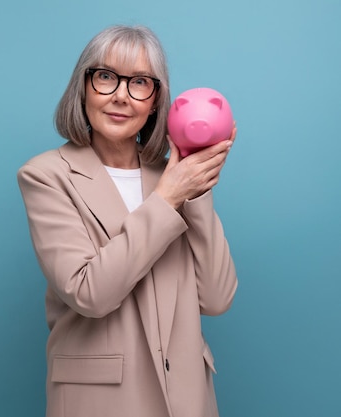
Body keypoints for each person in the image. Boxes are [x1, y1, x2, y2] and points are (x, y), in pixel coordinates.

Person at [17, 25, 238, 417]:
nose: (121, 95)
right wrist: (168, 198)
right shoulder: (46, 175)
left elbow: (218, 299)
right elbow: (90, 293)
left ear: (156, 101)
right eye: (105, 77)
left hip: (186, 399)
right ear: (83, 87)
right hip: (101, 402)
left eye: (139, 82)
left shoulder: (171, 174)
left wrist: (197, 188)